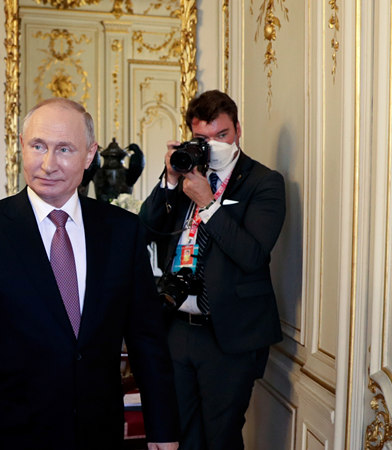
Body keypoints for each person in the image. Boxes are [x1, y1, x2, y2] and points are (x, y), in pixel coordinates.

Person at [0, 98, 179, 450]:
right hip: (10, 436)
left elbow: (147, 339)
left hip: (99, 434)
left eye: (64, 149)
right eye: (38, 146)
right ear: (21, 147)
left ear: (89, 155)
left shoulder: (122, 231)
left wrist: (163, 428)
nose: (48, 164)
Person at [139, 90, 286, 450]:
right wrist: (170, 180)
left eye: (222, 134)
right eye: (203, 138)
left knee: (221, 437)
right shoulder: (187, 174)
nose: (215, 144)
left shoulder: (263, 182)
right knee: (181, 432)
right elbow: (145, 230)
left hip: (230, 333)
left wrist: (208, 203)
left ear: (237, 130)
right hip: (177, 326)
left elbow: (252, 255)